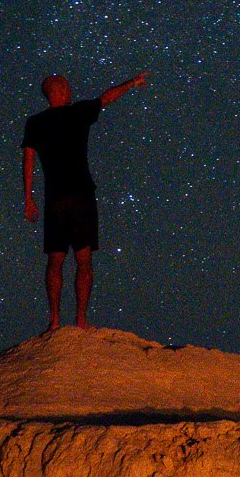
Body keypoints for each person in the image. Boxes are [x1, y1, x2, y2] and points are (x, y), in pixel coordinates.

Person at [22, 71, 147, 330]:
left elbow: (28, 160)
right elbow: (106, 98)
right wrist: (132, 83)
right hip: (81, 197)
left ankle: (54, 319)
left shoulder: (35, 122)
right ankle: (81, 319)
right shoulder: (77, 112)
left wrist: (28, 198)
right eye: (67, 87)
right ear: (59, 90)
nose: (70, 91)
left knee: (55, 259)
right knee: (84, 259)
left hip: (54, 200)